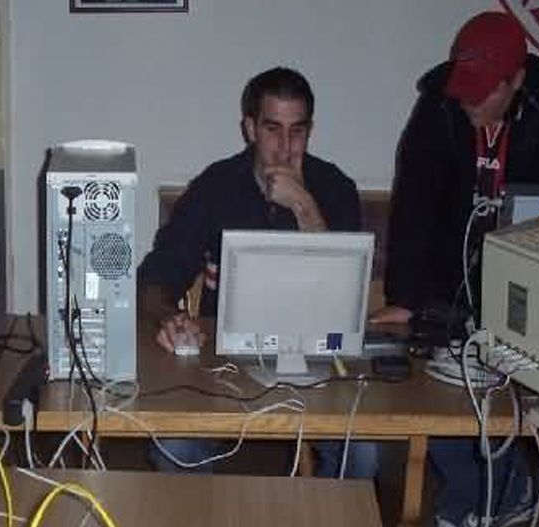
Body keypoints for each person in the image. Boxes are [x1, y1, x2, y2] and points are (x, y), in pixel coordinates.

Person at [377, 12, 539, 527]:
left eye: (482, 94)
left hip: (518, 281)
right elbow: (414, 206)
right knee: (438, 391)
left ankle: (473, 502)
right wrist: (408, 299)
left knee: (504, 402)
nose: (468, 103)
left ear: (515, 82)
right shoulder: (438, 104)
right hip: (445, 273)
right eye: (462, 90)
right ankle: (488, 498)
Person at [137, 66, 380, 479]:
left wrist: (303, 205)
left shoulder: (334, 187)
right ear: (249, 128)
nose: (285, 147)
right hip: (225, 363)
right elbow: (156, 276)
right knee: (175, 444)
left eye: (297, 131)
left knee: (367, 453)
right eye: (272, 129)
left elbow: (346, 297)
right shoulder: (217, 186)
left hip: (319, 362)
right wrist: (169, 318)